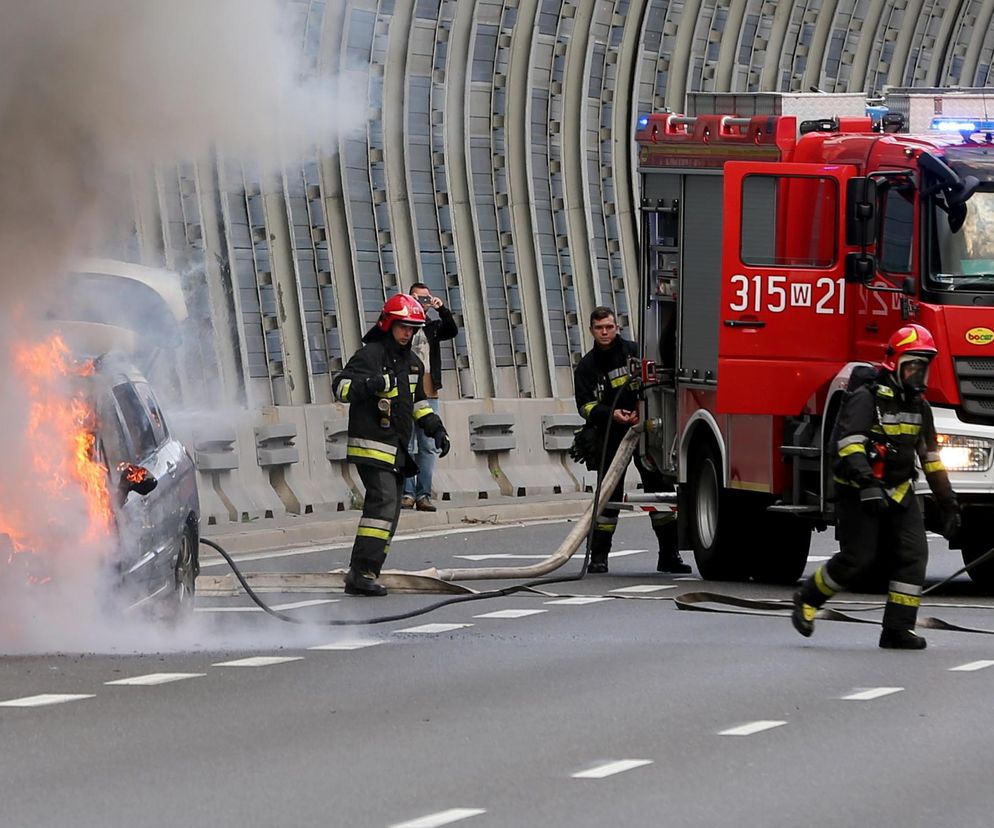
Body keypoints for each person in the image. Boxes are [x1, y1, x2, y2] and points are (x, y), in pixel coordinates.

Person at [792, 324, 961, 649]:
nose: (917, 374)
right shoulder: (866, 398)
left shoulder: (920, 407)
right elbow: (849, 445)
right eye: (912, 366)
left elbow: (932, 461)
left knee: (913, 556)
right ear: (895, 364)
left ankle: (897, 629)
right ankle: (807, 599)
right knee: (859, 559)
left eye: (922, 368)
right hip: (858, 490)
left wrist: (949, 503)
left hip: (899, 490)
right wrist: (868, 484)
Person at [332, 294, 450, 595]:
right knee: (382, 503)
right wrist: (369, 385)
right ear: (388, 324)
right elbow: (340, 387)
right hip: (370, 446)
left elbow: (417, 403)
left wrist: (435, 428)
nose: (407, 333)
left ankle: (369, 570)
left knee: (391, 511)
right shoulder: (369, 356)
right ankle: (361, 573)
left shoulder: (412, 364)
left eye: (412, 328)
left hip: (395, 448)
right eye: (403, 327)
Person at [573, 306, 691, 575]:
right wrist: (610, 413)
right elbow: (584, 406)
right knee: (607, 497)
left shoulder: (634, 353)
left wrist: (642, 410)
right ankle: (599, 557)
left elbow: (657, 384)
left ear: (617, 328)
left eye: (609, 327)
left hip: (646, 432)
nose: (605, 332)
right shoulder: (587, 367)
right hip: (611, 437)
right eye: (599, 328)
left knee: (659, 493)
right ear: (591, 330)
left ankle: (669, 555)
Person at [401, 282, 459, 512]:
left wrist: (441, 309)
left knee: (428, 445)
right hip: (405, 391)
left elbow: (452, 330)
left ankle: (423, 493)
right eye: (419, 298)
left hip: (428, 389)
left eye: (427, 298)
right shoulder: (403, 326)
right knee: (406, 443)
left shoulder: (432, 327)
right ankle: (407, 492)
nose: (424, 302)